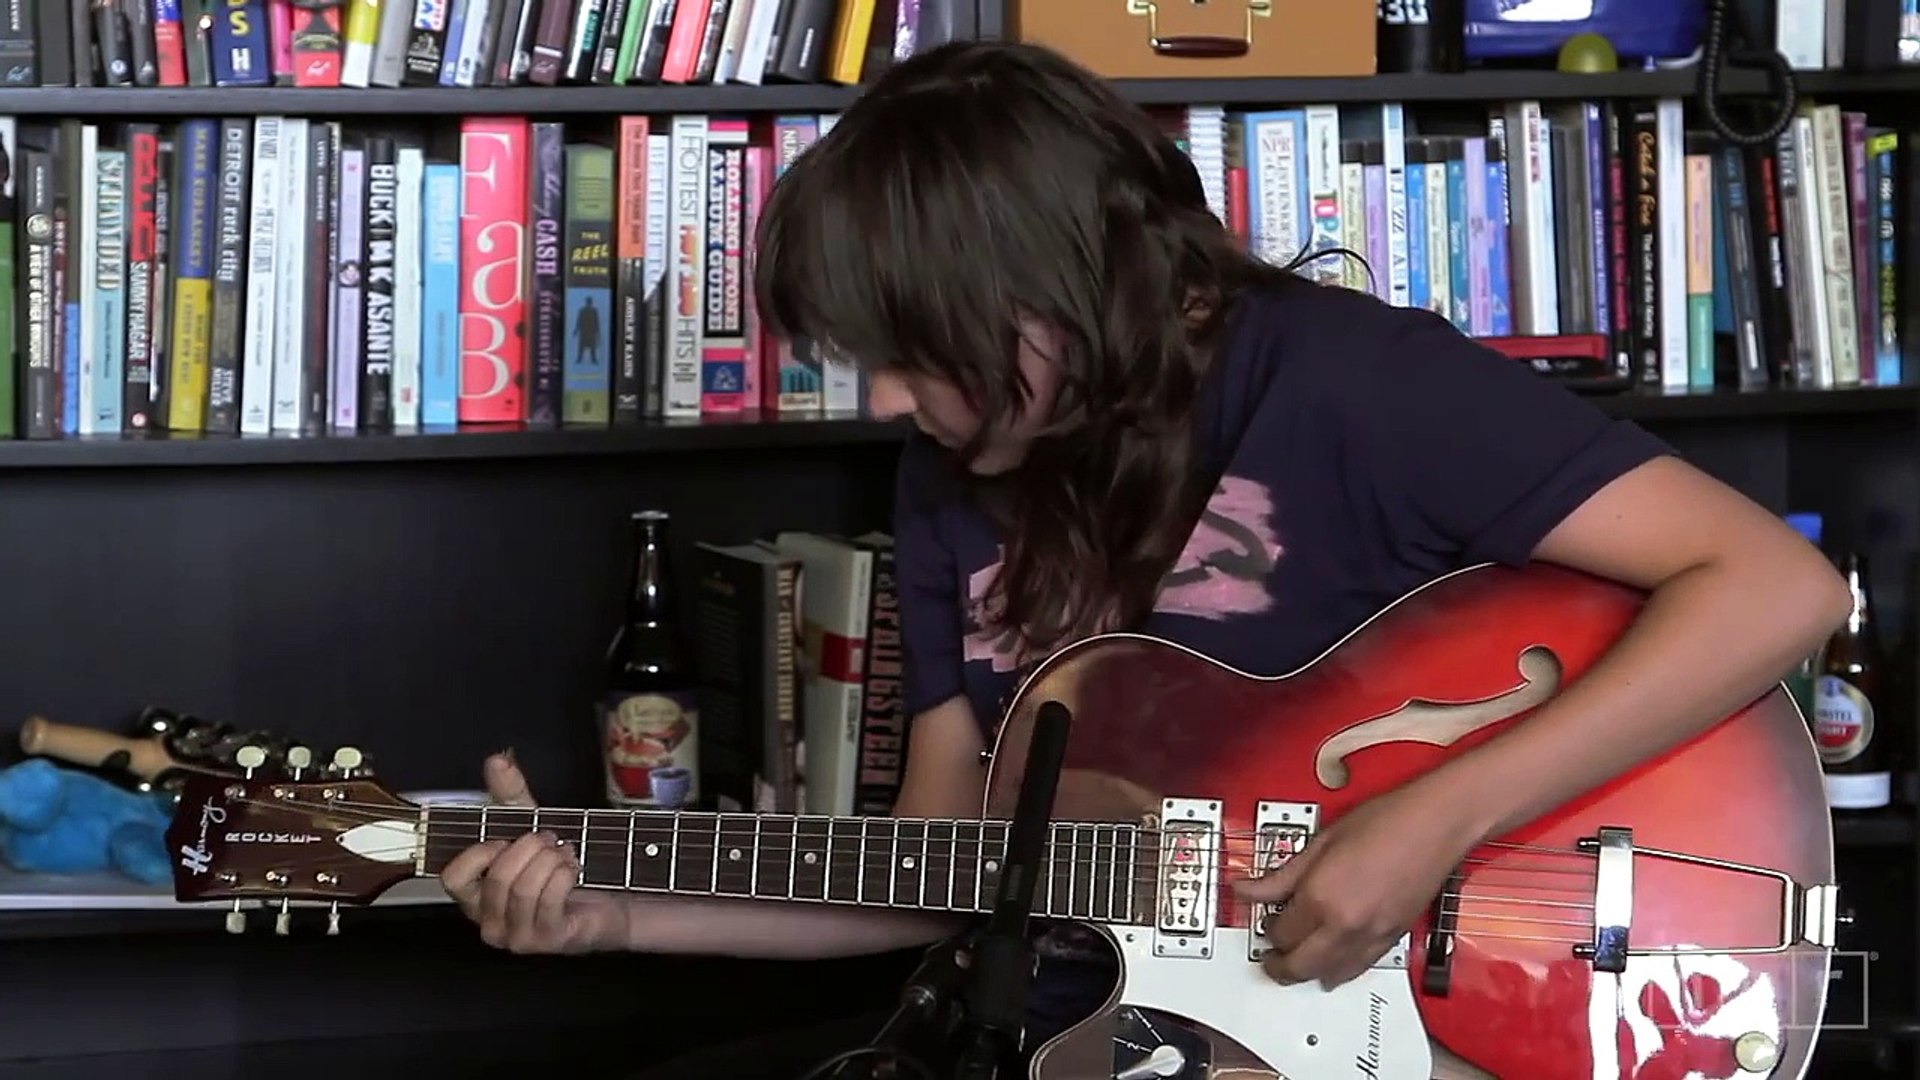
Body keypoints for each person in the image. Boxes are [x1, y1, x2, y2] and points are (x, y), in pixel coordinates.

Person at [439, 39, 1853, 1079]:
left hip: (1429, 1010)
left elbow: (1777, 587)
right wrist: (616, 912)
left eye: (915, 356)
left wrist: (1437, 820)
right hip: (1105, 1023)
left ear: (1053, 300)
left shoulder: (1351, 385)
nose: (881, 402)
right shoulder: (949, 477)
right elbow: (946, 873)